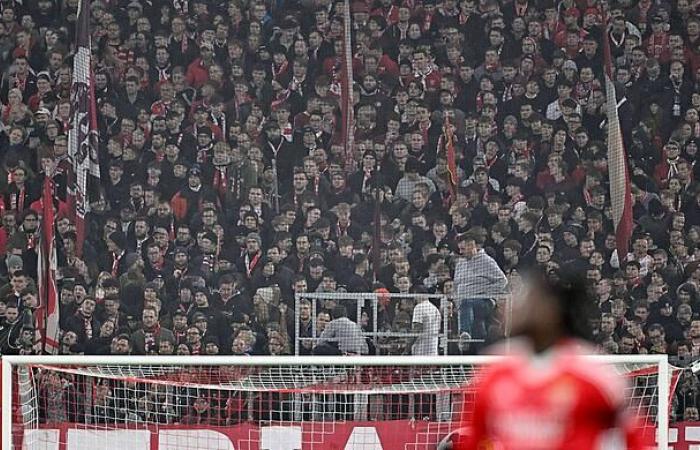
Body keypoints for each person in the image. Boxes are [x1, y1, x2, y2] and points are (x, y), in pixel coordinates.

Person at [445, 269, 651, 450]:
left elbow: (632, 441)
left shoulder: (594, 378)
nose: (513, 307)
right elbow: (476, 439)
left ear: (549, 311)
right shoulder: (495, 375)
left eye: (524, 299)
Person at [453, 230, 508, 346]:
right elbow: (456, 285)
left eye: (463, 249)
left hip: (484, 302)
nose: (460, 252)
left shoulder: (486, 261)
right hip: (464, 305)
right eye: (459, 249)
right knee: (478, 329)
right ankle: (472, 353)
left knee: (467, 302)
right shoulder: (460, 264)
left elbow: (502, 281)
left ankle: (464, 333)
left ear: (472, 246)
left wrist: (484, 293)